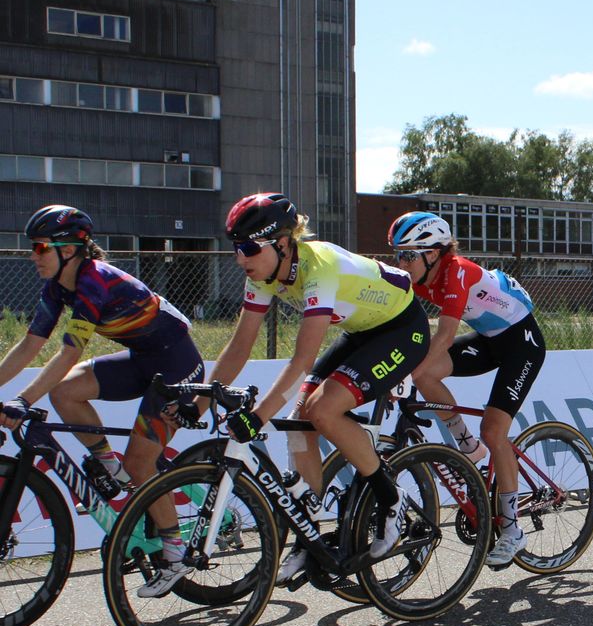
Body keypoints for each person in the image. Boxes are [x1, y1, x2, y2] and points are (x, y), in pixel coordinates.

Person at [204, 193, 430, 585]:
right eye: (236, 248)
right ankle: (308, 538)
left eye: (248, 248)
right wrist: (201, 394)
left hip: (402, 329)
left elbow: (302, 361)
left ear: (283, 243)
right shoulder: (263, 274)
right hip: (362, 330)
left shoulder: (319, 267)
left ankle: (391, 500)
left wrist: (258, 416)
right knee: (298, 422)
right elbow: (240, 346)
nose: (241, 258)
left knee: (323, 411)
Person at [0, 205, 204, 597]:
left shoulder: (95, 281)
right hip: (142, 359)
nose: (33, 255)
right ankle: (113, 467)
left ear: (71, 249)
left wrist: (24, 400)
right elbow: (30, 345)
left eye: (41, 247)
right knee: (65, 392)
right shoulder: (59, 286)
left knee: (142, 463)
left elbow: (68, 353)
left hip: (177, 363)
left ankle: (175, 553)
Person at [388, 211, 544, 569]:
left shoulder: (457, 270)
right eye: (398, 254)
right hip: (489, 340)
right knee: (427, 377)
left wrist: (406, 375)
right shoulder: (418, 277)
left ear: (434, 252)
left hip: (522, 343)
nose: (402, 263)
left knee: (494, 431)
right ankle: (466, 447)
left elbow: (443, 336)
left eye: (408, 255)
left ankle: (511, 531)